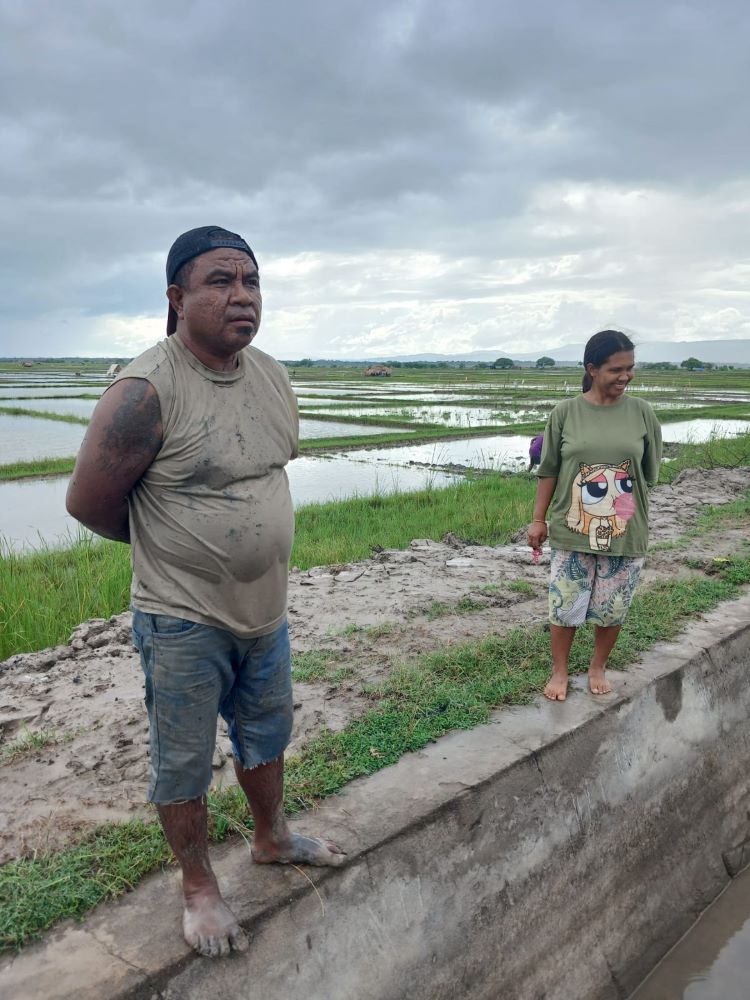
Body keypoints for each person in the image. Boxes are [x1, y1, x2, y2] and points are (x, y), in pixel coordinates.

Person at [66, 226, 345, 959]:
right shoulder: (144, 392)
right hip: (182, 618)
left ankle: (272, 837)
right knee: (183, 759)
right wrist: (175, 544)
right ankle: (197, 886)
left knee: (267, 734)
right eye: (221, 281)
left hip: (268, 611)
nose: (242, 296)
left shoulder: (272, 375)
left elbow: (268, 472)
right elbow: (90, 503)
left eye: (252, 281)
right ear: (176, 298)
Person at [526, 330, 662, 701]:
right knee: (566, 602)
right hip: (573, 526)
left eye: (630, 368)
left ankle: (598, 666)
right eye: (616, 369)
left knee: (612, 605)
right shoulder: (565, 413)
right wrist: (538, 520)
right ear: (592, 368)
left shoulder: (642, 413)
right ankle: (560, 671)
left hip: (625, 527)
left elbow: (648, 474)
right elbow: (549, 470)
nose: (626, 376)